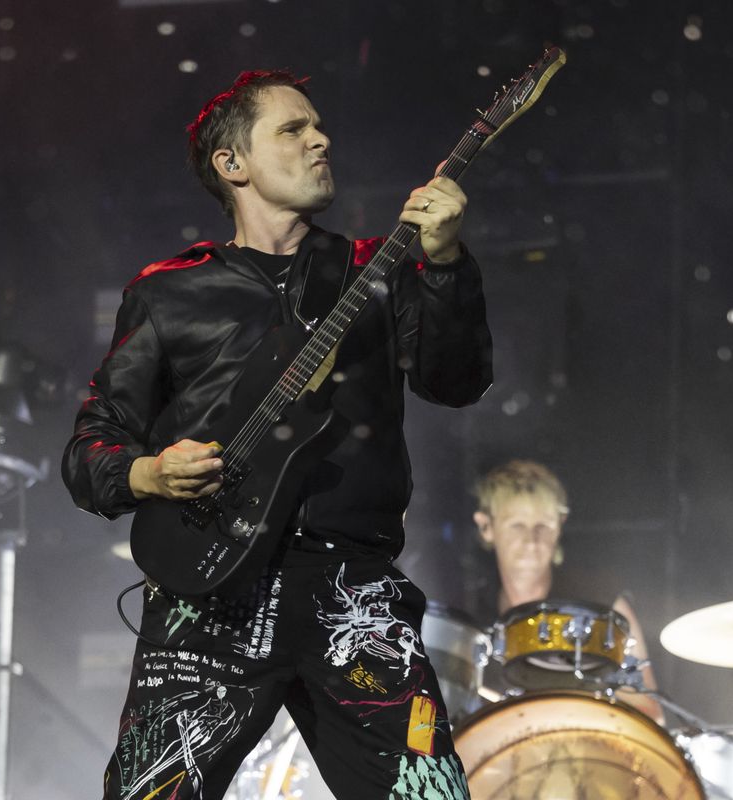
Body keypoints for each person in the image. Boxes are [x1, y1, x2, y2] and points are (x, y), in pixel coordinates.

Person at [62, 69, 490, 800]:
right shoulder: (168, 291)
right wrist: (150, 475)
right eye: (292, 129)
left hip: (352, 591)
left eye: (319, 125)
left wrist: (445, 262)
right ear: (234, 165)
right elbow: (91, 447)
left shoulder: (377, 274)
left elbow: (456, 381)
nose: (320, 139)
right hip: (208, 591)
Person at [471, 459, 664, 721]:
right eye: (517, 525)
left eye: (544, 525)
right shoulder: (470, 620)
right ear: (486, 526)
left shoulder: (602, 605)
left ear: (561, 524)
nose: (531, 540)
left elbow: (650, 713)